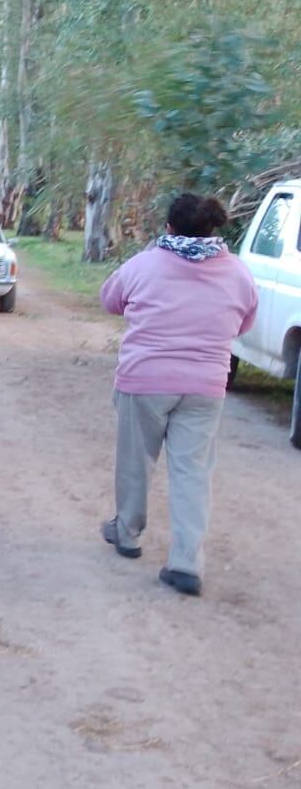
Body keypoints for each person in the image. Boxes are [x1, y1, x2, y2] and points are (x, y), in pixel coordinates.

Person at [99, 192, 258, 597]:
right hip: (206, 387)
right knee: (193, 473)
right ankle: (186, 564)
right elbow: (244, 323)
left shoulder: (146, 262)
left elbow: (110, 300)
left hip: (145, 381)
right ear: (213, 228)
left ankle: (128, 534)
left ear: (169, 227)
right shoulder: (237, 272)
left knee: (136, 462)